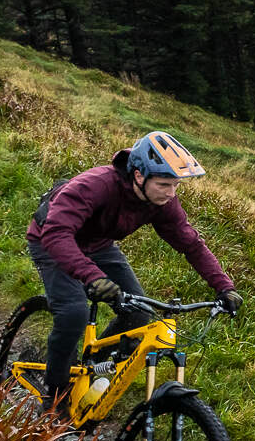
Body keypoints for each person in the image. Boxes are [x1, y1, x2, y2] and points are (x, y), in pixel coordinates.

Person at [25, 129, 243, 420]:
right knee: (74, 312)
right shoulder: (96, 186)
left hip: (99, 245)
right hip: (52, 240)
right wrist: (91, 276)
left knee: (137, 312)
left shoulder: (161, 201)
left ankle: (90, 367)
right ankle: (54, 398)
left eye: (175, 185)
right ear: (139, 176)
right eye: (165, 184)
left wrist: (223, 286)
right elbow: (56, 233)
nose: (171, 193)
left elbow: (190, 243)